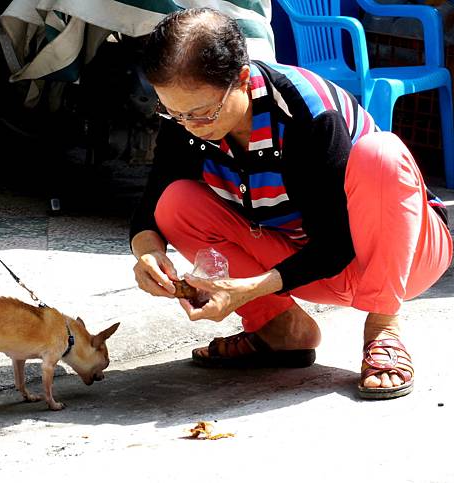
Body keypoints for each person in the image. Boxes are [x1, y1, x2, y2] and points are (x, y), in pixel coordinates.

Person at [130, 7, 452, 399]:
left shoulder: (307, 113)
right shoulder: (185, 119)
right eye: (174, 112)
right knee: (174, 203)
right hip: (306, 261)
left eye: (201, 112)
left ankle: (383, 326)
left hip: (398, 255)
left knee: (380, 153)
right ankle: (282, 329)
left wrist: (249, 288)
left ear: (243, 78)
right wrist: (147, 253)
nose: (190, 125)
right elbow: (153, 199)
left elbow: (336, 243)